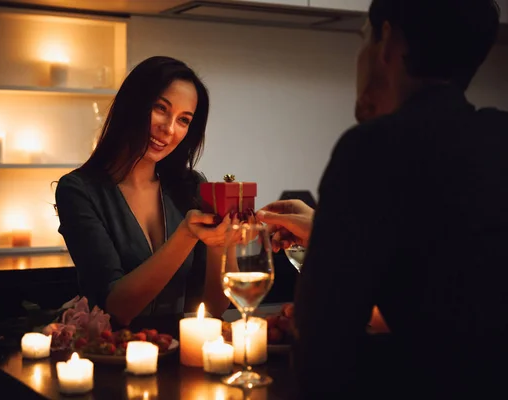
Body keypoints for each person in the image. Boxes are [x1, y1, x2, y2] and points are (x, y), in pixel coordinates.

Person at [258, 0, 507, 396]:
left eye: (364, 39)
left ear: (387, 42)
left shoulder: (370, 149)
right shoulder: (497, 136)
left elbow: (321, 347)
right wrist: (325, 230)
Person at [55, 56, 234, 330]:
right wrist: (185, 235)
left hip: (181, 355)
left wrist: (223, 241)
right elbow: (117, 307)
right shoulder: (79, 191)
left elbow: (216, 306)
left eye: (183, 120)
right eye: (161, 109)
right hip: (112, 358)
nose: (169, 129)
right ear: (133, 104)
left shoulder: (190, 186)